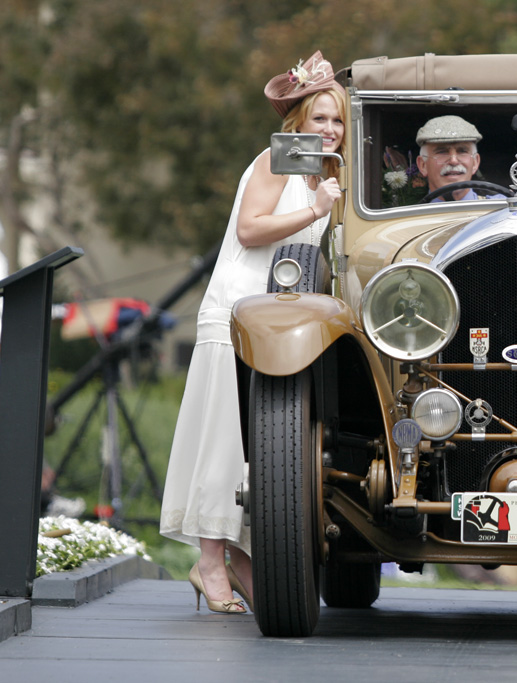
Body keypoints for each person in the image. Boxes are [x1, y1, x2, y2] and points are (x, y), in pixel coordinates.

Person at [159, 50, 345, 614]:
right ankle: (209, 560)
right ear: (297, 122)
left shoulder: (331, 175)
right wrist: (314, 211)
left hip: (286, 325)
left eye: (338, 120)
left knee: (262, 447)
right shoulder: (276, 161)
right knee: (223, 440)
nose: (331, 130)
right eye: (320, 119)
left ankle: (242, 560)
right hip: (238, 313)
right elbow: (249, 228)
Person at [414, 115, 500, 201]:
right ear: (423, 165)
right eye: (442, 152)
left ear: (475, 162)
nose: (453, 161)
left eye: (462, 151)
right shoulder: (409, 214)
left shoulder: (504, 210)